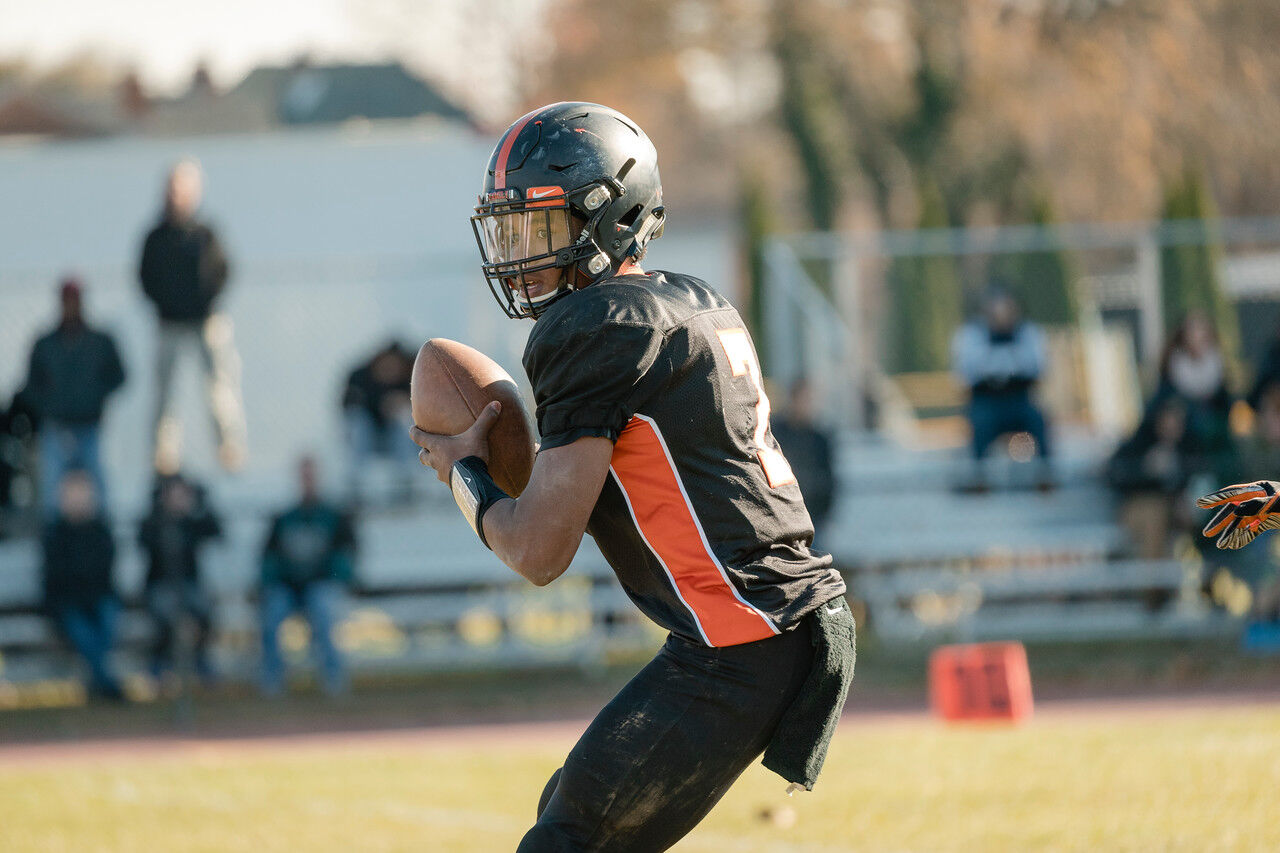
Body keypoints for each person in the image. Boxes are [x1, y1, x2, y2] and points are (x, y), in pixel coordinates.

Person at [410, 102, 854, 851]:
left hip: (739, 638)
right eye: (509, 228)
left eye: (539, 227)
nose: (520, 252)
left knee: (568, 838)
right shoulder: (693, 301)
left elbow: (539, 551)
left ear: (605, 219)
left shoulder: (595, 327)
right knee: (572, 806)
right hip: (767, 621)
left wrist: (467, 474)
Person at [139, 159, 246, 474]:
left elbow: (223, 271)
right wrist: (166, 304)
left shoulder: (206, 233)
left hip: (205, 321)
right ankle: (164, 458)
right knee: (165, 394)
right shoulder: (156, 237)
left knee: (220, 387)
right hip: (169, 323)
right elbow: (145, 277)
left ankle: (229, 449)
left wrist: (205, 301)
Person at [22, 277, 126, 516]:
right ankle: (54, 539)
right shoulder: (46, 343)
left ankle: (100, 533)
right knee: (52, 488)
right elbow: (31, 384)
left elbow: (118, 375)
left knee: (98, 483)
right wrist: (49, 405)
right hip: (56, 426)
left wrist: (96, 395)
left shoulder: (99, 341)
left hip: (90, 424)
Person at [259, 456, 356, 696]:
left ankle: (333, 679)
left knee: (323, 611)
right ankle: (272, 680)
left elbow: (347, 554)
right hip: (288, 588)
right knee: (271, 615)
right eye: (303, 476)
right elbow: (268, 557)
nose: (307, 481)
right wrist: (270, 583)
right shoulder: (284, 518)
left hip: (320, 585)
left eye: (311, 475)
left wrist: (336, 577)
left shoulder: (334, 516)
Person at [951, 289, 1053, 490]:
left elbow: (1038, 367)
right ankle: (978, 475)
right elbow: (964, 373)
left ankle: (1045, 472)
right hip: (986, 400)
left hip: (1019, 398)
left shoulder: (1029, 333)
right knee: (980, 421)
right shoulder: (970, 335)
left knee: (1037, 418)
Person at [41, 469, 123, 700]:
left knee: (107, 621)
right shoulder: (55, 532)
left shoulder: (100, 529)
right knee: (82, 631)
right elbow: (56, 575)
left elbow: (105, 568)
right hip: (67, 603)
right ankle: (107, 685)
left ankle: (100, 683)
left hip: (98, 597)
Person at [138, 473, 223, 684]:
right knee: (167, 618)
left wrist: (204, 504)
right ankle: (158, 663)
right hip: (160, 585)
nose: (178, 500)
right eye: (174, 495)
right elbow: (143, 541)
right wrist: (159, 512)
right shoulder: (154, 522)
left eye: (182, 495)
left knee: (204, 612)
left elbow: (216, 532)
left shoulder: (192, 522)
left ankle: (199, 659)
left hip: (190, 585)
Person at [1106, 396, 1200, 559]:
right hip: (1140, 506)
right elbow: (1115, 474)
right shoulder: (1138, 444)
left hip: (1176, 507)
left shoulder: (1188, 446)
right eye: (1168, 420)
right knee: (1154, 514)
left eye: (1177, 421)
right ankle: (1152, 580)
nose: (1172, 426)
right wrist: (1145, 468)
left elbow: (1198, 473)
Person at [340, 341, 418, 505]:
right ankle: (356, 487)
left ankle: (403, 484)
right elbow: (346, 405)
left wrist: (403, 404)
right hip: (368, 437)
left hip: (396, 439)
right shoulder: (361, 377)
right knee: (357, 424)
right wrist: (379, 403)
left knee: (404, 419)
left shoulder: (413, 380)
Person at [1153, 312, 1234, 458]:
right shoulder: (1171, 374)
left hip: (1214, 451)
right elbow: (1156, 414)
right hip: (1182, 453)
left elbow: (1227, 412)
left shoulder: (1219, 372)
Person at [770, 379, 837, 544]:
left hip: (813, 514)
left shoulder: (820, 438)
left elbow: (829, 477)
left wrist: (825, 510)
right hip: (784, 515)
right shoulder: (778, 433)